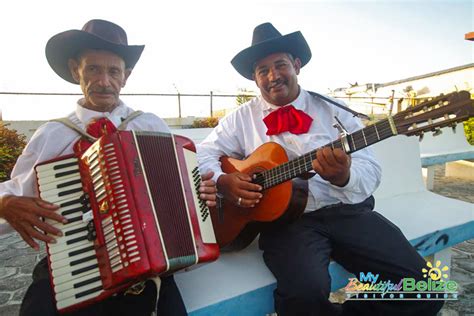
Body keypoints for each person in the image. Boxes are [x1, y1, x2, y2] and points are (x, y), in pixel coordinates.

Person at [196, 22, 444, 315]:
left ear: (297, 65)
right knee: (303, 296)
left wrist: (344, 176)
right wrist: (225, 180)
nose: (273, 76)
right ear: (254, 77)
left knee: (426, 289)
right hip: (287, 225)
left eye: (280, 65)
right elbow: (204, 153)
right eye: (263, 70)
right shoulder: (240, 119)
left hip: (346, 212)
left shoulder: (335, 111)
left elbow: (372, 170)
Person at [0, 19, 217, 316]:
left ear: (125, 76)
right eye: (93, 69)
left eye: (113, 71)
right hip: (76, 264)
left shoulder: (148, 124)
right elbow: (12, 191)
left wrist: (200, 193)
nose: (104, 81)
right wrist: (5, 203)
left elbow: (183, 187)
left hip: (150, 265)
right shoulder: (53, 134)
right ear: (76, 70)